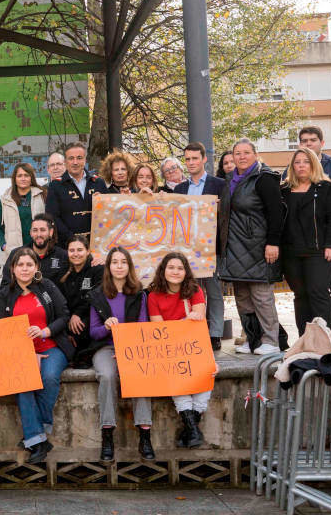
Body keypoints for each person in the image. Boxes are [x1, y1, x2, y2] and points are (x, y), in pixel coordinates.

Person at [0, 247, 71, 463]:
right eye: (20, 265)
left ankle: (34, 433)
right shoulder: (5, 295)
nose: (25, 269)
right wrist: (28, 354)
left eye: (29, 264)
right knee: (24, 384)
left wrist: (46, 331)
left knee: (48, 378)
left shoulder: (46, 287)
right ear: (13, 268)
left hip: (52, 346)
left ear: (36, 267)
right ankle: (39, 439)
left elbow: (64, 315)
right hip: (22, 353)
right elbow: (3, 330)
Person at [217, 139, 285, 355]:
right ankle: (252, 339)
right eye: (238, 153)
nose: (242, 157)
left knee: (261, 296)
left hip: (258, 246)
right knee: (243, 298)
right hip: (235, 247)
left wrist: (273, 242)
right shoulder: (229, 180)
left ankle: (271, 341)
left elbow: (277, 212)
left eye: (246, 152)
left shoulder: (264, 178)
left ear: (255, 154)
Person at [87, 246, 153, 461]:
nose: (119, 266)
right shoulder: (98, 294)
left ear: (129, 266)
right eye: (114, 262)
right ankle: (107, 434)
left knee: (138, 373)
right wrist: (106, 326)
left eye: (123, 262)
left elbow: (143, 326)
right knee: (107, 376)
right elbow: (93, 332)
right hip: (106, 347)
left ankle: (145, 434)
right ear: (108, 266)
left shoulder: (139, 294)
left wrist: (127, 351)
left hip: (133, 348)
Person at [147, 252, 216, 449]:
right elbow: (159, 329)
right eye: (171, 267)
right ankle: (193, 430)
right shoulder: (153, 296)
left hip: (195, 344)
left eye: (180, 268)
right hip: (170, 348)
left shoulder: (194, 290)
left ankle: (190, 429)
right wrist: (185, 321)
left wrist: (180, 324)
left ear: (185, 272)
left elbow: (199, 320)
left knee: (205, 376)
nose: (175, 272)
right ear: (163, 270)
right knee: (178, 380)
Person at [280, 148, 331, 332]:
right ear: (292, 166)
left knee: (318, 292)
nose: (301, 166)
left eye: (306, 161)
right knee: (300, 295)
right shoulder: (284, 190)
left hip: (318, 251)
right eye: (297, 162)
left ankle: (325, 338)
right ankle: (305, 338)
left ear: (313, 164)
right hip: (291, 252)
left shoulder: (325, 188)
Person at [294, 126, 331, 329]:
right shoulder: (290, 171)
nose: (308, 143)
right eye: (304, 140)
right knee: (309, 291)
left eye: (313, 140)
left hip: (329, 242)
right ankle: (309, 335)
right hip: (301, 245)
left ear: (321, 143)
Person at [174, 142, 227, 349]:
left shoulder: (219, 185)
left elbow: (226, 215)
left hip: (210, 247)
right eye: (187, 159)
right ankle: (194, 330)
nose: (191, 162)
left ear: (204, 159)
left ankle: (215, 334)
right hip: (186, 248)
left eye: (195, 158)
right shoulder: (180, 188)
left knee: (213, 292)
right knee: (190, 291)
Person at [45, 142, 107, 245]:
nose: (75, 162)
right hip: (67, 247)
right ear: (65, 162)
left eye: (79, 158)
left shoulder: (98, 183)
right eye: (71, 158)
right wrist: (73, 239)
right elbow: (53, 217)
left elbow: (108, 213)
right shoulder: (56, 186)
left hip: (96, 245)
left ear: (85, 160)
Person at [58, 235, 103, 367]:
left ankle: (86, 355)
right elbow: (61, 303)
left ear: (88, 251)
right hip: (70, 320)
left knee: (83, 322)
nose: (75, 254)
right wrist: (67, 329)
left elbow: (95, 296)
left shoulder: (97, 269)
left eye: (80, 250)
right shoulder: (64, 273)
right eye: (72, 250)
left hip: (90, 318)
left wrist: (77, 314)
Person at [0, 163, 46, 261]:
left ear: (31, 178)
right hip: (14, 252)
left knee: (40, 276)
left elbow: (50, 223)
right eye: (20, 176)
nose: (23, 178)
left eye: (26, 175)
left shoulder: (42, 195)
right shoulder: (4, 200)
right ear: (15, 179)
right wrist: (5, 246)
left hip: (39, 250)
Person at [0, 213, 68, 289]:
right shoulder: (16, 254)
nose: (38, 234)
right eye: (35, 230)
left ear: (51, 232)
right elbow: (5, 287)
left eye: (42, 230)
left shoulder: (62, 256)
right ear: (31, 233)